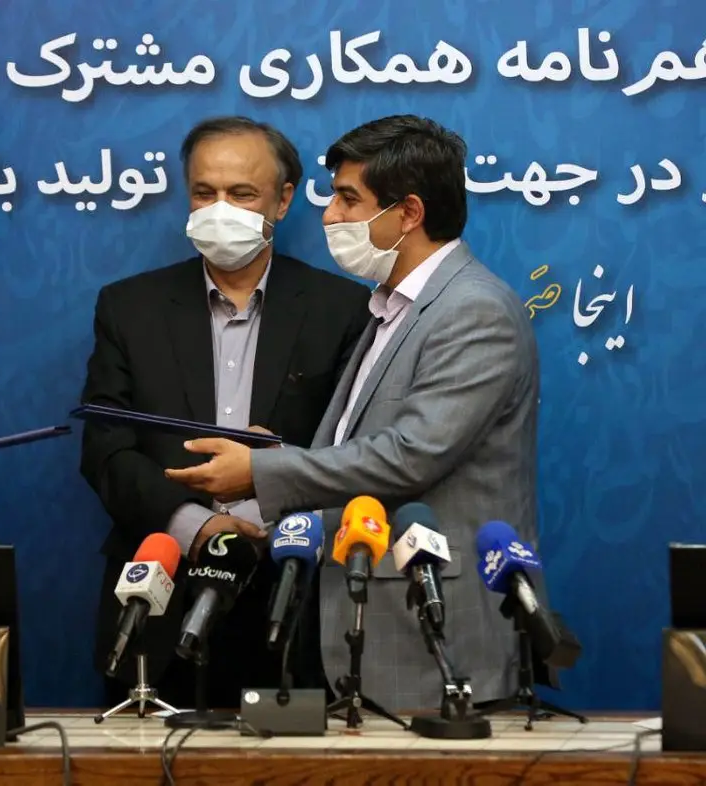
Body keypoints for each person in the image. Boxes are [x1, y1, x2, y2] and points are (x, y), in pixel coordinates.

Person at [165, 114, 541, 712]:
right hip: (364, 626)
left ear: (408, 213)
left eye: (347, 199)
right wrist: (282, 454)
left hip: (434, 631)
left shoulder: (474, 311)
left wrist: (261, 473)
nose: (329, 216)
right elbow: (360, 441)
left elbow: (411, 455)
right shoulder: (390, 308)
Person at [79, 116, 370, 709]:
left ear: (283, 200)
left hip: (292, 596)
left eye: (241, 194)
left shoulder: (342, 308)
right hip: (159, 600)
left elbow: (356, 451)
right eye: (204, 192)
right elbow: (106, 450)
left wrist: (270, 495)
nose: (220, 210)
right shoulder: (129, 307)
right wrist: (196, 525)